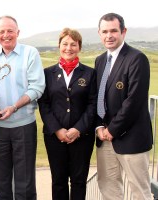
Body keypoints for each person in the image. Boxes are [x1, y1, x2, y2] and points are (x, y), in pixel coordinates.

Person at [0, 15, 45, 200]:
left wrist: (14, 107)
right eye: (2, 31)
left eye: (10, 31)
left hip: (23, 127)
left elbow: (37, 87)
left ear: (18, 32)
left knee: (24, 183)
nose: (6, 35)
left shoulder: (30, 53)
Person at [95, 12, 153, 200]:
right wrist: (99, 128)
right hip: (104, 139)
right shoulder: (100, 60)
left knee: (140, 192)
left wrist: (112, 129)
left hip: (132, 138)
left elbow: (133, 101)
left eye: (113, 30)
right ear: (99, 33)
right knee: (109, 189)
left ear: (123, 32)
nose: (109, 35)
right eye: (104, 31)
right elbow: (97, 98)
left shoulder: (137, 58)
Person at [38, 28, 97, 200]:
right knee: (58, 180)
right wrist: (58, 130)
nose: (68, 48)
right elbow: (44, 104)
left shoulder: (90, 73)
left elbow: (92, 104)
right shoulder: (47, 73)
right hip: (54, 136)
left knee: (79, 181)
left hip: (82, 136)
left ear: (79, 47)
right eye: (65, 44)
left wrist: (78, 129)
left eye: (73, 44)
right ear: (59, 46)